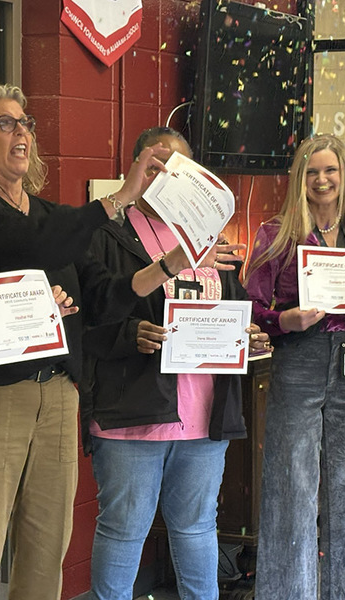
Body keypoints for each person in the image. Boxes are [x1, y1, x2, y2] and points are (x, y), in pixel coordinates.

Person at [0, 85, 236, 600]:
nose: (21, 132)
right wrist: (120, 198)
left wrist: (169, 266)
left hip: (59, 391)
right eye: (4, 123)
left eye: (25, 122)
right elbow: (31, 243)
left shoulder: (51, 215)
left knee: (47, 543)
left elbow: (106, 295)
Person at [80, 126, 270, 600]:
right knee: (124, 529)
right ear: (137, 167)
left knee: (197, 528)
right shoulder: (107, 233)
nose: (169, 176)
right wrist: (129, 336)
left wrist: (245, 332)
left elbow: (232, 303)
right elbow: (86, 319)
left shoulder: (213, 239)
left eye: (181, 168)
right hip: (131, 414)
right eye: (158, 164)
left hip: (204, 413)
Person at [244, 133, 345, 599]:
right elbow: (253, 307)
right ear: (299, 179)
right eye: (312, 171)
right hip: (297, 359)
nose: (322, 180)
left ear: (343, 177)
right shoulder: (274, 234)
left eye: (330, 170)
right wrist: (286, 318)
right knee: (291, 484)